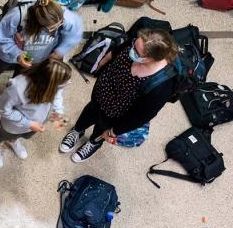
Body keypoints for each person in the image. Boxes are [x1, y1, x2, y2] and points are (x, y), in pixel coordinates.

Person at [59, 28, 179, 163]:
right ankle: (78, 130)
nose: (131, 50)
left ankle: (94, 142)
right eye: (134, 44)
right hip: (101, 94)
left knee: (101, 128)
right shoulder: (136, 44)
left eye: (137, 52)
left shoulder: (161, 86)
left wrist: (113, 132)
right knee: (89, 112)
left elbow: (141, 117)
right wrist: (101, 64)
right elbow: (116, 51)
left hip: (115, 113)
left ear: (150, 58)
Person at [0, 0, 83, 100]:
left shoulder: (59, 14)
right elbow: (1, 37)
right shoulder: (17, 16)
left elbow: (76, 29)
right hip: (8, 52)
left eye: (60, 24)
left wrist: (59, 51)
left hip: (30, 55)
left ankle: (12, 87)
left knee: (21, 74)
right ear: (37, 23)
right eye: (51, 28)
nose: (57, 28)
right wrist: (18, 54)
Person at [0, 58, 71, 168]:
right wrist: (28, 123)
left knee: (20, 135)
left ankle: (13, 140)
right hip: (13, 125)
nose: (69, 83)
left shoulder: (53, 85)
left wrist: (58, 111)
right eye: (64, 81)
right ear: (50, 82)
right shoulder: (18, 88)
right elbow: (3, 108)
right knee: (2, 136)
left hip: (35, 123)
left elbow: (57, 95)